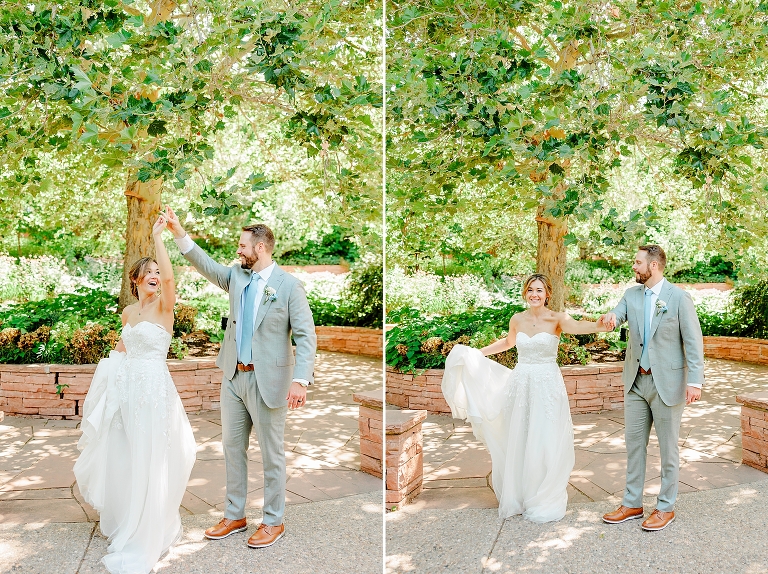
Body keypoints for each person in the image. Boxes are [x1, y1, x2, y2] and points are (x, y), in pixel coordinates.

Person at [163, 207, 317, 549]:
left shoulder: (289, 287)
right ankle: (235, 515)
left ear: (259, 248)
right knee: (233, 448)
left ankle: (273, 521)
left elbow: (306, 336)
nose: (238, 250)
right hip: (233, 377)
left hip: (271, 382)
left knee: (272, 453)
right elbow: (205, 265)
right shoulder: (237, 277)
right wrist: (178, 231)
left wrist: (301, 380)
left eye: (243, 245)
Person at [74, 213, 196, 574]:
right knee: (127, 454)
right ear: (136, 280)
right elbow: (120, 352)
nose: (156, 277)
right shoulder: (128, 312)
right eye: (149, 273)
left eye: (158, 273)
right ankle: (130, 514)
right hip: (128, 392)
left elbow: (173, 277)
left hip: (155, 392)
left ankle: (151, 526)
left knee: (153, 454)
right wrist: (107, 390)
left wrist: (160, 235)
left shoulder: (165, 308)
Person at [441, 273, 611, 522]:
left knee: (544, 436)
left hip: (547, 385)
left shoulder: (558, 319)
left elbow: (578, 327)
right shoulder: (517, 319)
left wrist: (599, 325)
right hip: (520, 384)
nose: (534, 294)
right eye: (531, 289)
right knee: (520, 435)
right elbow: (509, 342)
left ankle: (542, 494)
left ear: (547, 294)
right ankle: (520, 493)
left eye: (539, 290)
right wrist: (477, 353)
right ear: (525, 292)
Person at [600, 245, 704, 531]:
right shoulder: (631, 295)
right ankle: (632, 503)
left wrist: (695, 381)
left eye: (637, 263)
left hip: (667, 384)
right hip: (635, 381)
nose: (633, 267)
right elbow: (617, 314)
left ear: (654, 265)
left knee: (669, 449)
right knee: (634, 446)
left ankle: (665, 507)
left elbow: (693, 342)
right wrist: (611, 316)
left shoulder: (679, 298)